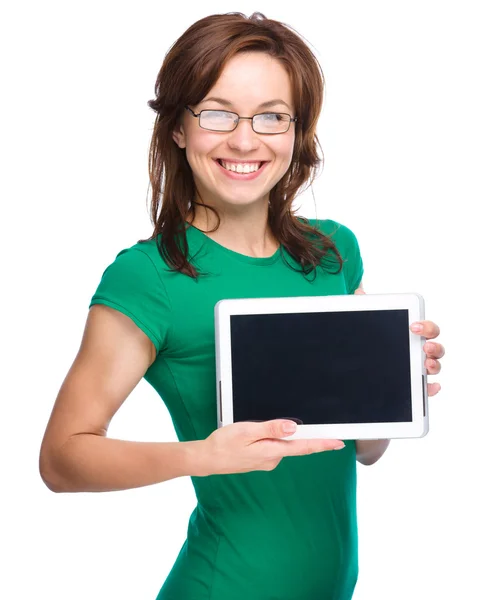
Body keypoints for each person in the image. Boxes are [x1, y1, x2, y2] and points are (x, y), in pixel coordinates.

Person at [39, 11, 444, 600]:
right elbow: (61, 459)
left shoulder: (334, 252)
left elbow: (363, 451)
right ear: (178, 127)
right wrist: (203, 456)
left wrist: (390, 385)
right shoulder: (149, 277)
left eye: (272, 116)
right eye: (217, 112)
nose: (245, 139)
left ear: (297, 131)